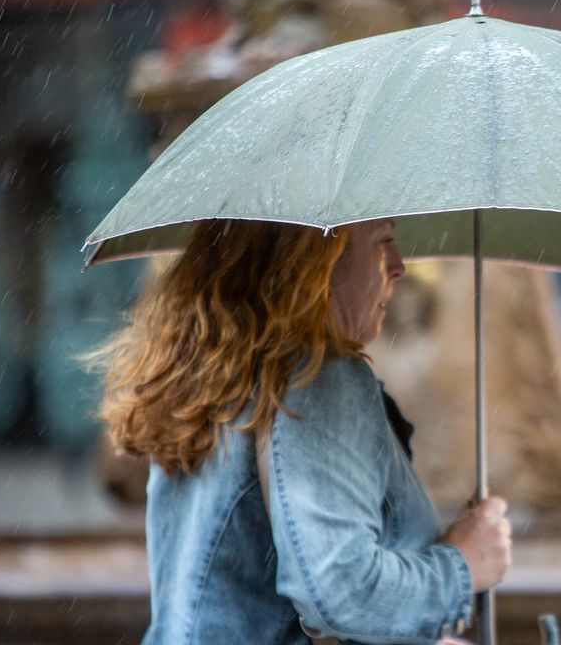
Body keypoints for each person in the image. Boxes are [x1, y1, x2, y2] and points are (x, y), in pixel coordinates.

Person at [92, 218, 512, 644]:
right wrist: (463, 565)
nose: (399, 265)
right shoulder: (316, 377)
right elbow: (341, 593)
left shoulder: (208, 378)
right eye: (382, 242)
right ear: (318, 262)